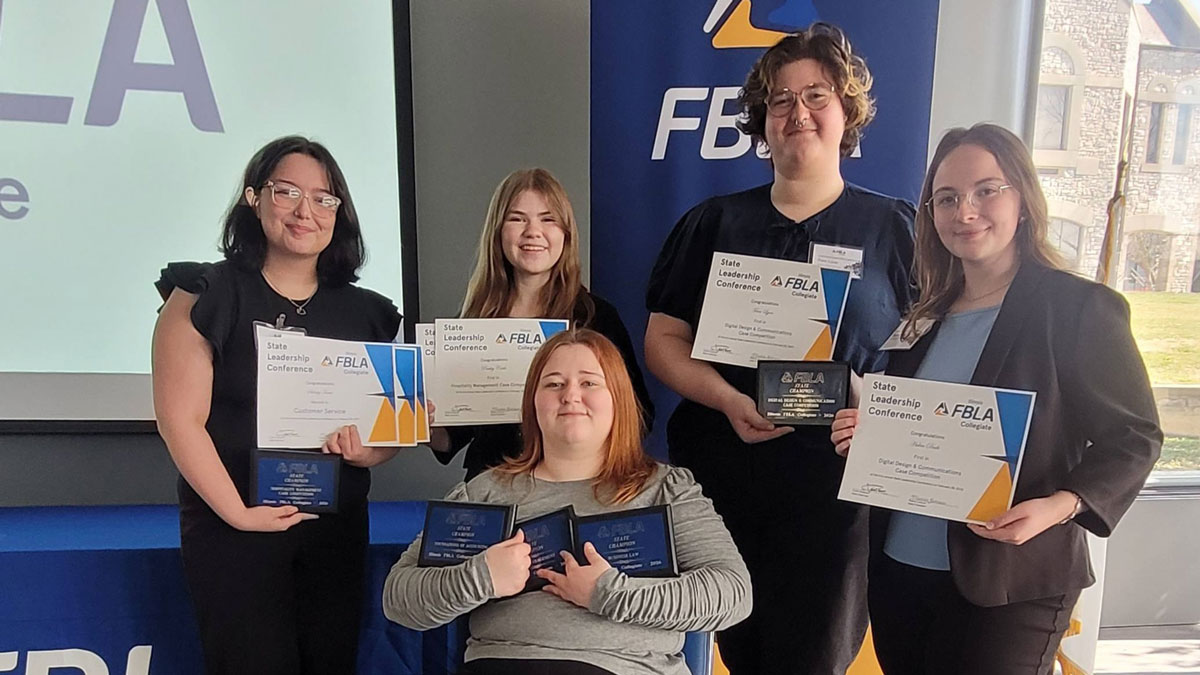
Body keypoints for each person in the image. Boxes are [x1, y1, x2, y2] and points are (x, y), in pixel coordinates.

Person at [830, 123, 1162, 674]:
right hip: (900, 571)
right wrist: (867, 436)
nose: (966, 211)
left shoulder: (1078, 308)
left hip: (1012, 580)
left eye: (987, 190)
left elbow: (1135, 437)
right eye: (948, 198)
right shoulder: (923, 316)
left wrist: (1060, 507)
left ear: (1024, 199)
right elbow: (915, 428)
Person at [643, 22, 914, 674]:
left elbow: (926, 356)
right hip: (728, 480)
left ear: (847, 110)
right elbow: (663, 341)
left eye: (816, 95)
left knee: (815, 656)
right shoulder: (713, 224)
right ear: (762, 121)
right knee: (739, 648)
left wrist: (874, 402)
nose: (798, 113)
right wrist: (731, 399)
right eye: (781, 100)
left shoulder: (893, 229)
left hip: (839, 492)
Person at [152, 136, 403, 674]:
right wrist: (240, 515)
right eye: (286, 192)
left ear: (341, 212)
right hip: (234, 526)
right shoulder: (203, 294)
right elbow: (180, 421)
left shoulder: (370, 315)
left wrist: (368, 453)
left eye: (323, 198)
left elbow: (391, 431)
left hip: (332, 530)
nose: (304, 210)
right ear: (253, 198)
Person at [384, 329, 751, 675]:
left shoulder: (668, 489)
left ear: (618, 399)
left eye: (589, 383)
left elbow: (732, 593)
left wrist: (607, 593)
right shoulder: (484, 491)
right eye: (554, 384)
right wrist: (481, 577)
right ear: (533, 403)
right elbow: (399, 598)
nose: (570, 395)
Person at [429, 168, 654, 479]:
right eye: (517, 218)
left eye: (548, 219)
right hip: (494, 483)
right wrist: (420, 420)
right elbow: (449, 438)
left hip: (579, 485)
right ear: (498, 232)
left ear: (566, 233)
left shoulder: (597, 319)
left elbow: (638, 415)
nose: (532, 231)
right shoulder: (470, 324)